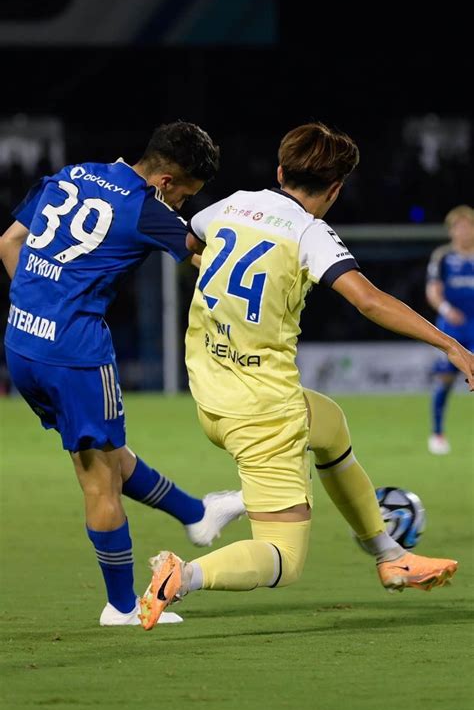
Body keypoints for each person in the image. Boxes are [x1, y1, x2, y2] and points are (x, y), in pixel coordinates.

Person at [139, 121, 473, 630]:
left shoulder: (229, 205)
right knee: (283, 559)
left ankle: (389, 554)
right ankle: (181, 576)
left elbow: (189, 237)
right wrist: (451, 344)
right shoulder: (308, 232)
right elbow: (367, 300)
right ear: (336, 190)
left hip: (210, 387)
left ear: (279, 172)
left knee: (330, 424)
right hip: (262, 412)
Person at [0, 121, 245, 627]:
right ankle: (120, 605)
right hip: (76, 354)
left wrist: (42, 305)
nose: (180, 209)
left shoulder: (73, 174)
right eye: (186, 197)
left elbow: (9, 242)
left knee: (105, 451)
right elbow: (207, 260)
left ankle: (196, 514)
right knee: (98, 477)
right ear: (166, 182)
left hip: (21, 341)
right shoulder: (147, 208)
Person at [425, 205, 474, 454]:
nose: (464, 231)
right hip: (451, 328)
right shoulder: (443, 257)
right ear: (451, 231)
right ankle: (437, 433)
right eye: (459, 226)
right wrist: (446, 310)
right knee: (444, 380)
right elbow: (433, 291)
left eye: (468, 226)